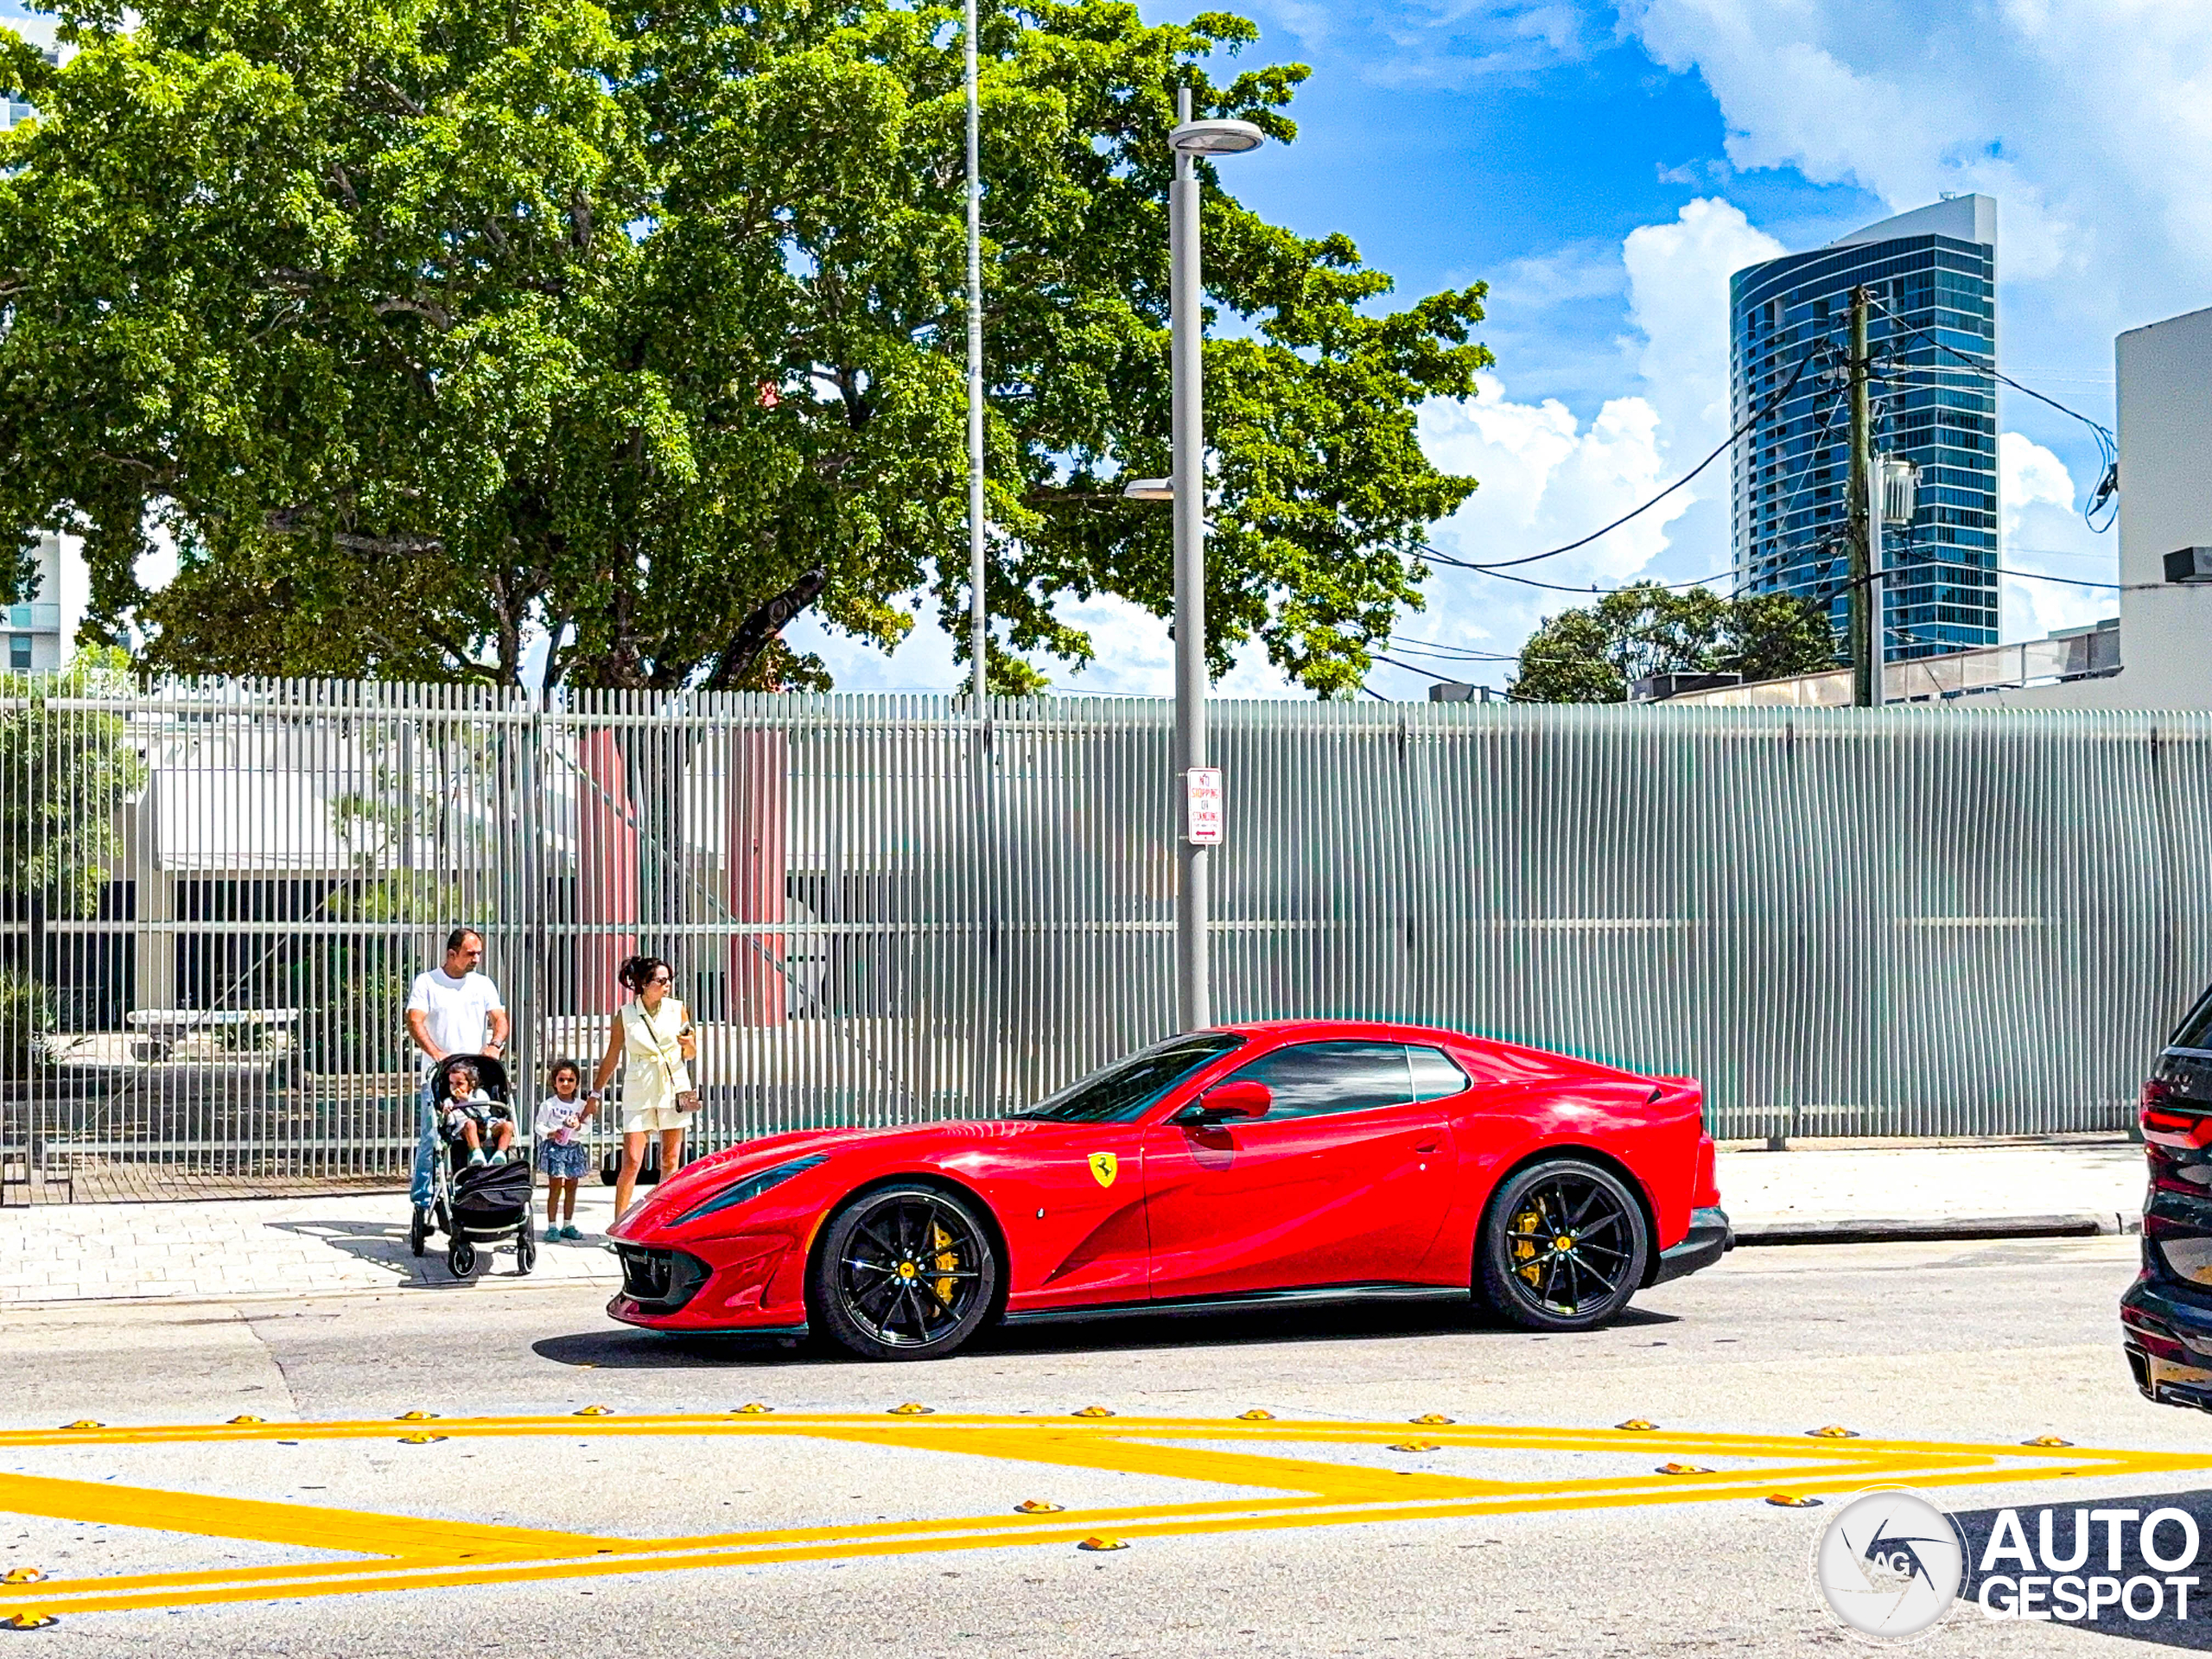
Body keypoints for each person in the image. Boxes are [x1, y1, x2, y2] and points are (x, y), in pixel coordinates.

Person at [404, 928, 510, 1212]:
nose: (476, 958)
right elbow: (415, 1020)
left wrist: (495, 1045)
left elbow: (499, 1019)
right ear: (452, 954)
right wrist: (436, 1053)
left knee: (485, 1128)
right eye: (470, 953)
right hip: (440, 1076)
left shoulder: (482, 984)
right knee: (432, 1139)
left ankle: (482, 1189)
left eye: (478, 953)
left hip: (475, 1077)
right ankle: (423, 1201)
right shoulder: (428, 982)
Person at [588, 955, 697, 1221]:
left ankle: (663, 1219)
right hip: (640, 1085)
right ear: (644, 984)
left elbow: (691, 1054)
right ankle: (620, 1221)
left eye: (669, 979)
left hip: (674, 1083)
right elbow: (612, 1056)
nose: (667, 985)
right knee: (632, 1160)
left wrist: (688, 1044)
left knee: (670, 1159)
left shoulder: (678, 1009)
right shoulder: (626, 1015)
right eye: (661, 980)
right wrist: (595, 1093)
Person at [533, 1058, 595, 1241]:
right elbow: (539, 1125)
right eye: (561, 1080)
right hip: (555, 1149)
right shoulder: (549, 1105)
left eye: (570, 1080)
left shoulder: (581, 1106)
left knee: (572, 1187)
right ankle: (552, 1226)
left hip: (574, 1149)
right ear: (554, 1082)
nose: (566, 1083)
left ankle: (567, 1224)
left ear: (577, 1083)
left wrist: (578, 1127)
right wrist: (550, 1133)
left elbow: (588, 1127)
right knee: (555, 1187)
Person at [439, 1058, 516, 1166]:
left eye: (459, 1083)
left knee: (508, 1126)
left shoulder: (478, 1093)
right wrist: (447, 1113)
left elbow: (485, 1108)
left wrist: (467, 1099)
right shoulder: (449, 1101)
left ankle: (500, 1154)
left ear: (471, 1083)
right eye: (452, 1083)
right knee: (470, 1124)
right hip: (465, 1131)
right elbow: (451, 1122)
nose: (455, 1087)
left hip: (487, 1126)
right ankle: (477, 1154)